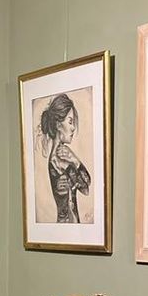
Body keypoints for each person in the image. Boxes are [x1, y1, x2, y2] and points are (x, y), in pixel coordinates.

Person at [38, 94, 90, 223]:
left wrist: (74, 159)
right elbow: (85, 185)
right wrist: (74, 160)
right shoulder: (57, 160)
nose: (73, 128)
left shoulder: (64, 156)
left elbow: (86, 188)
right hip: (68, 225)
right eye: (70, 121)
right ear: (58, 125)